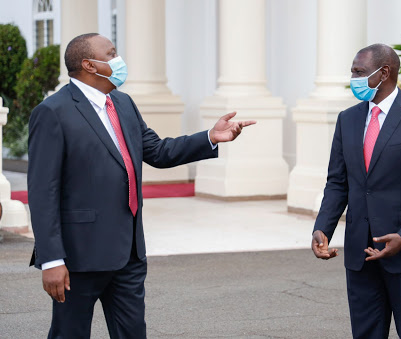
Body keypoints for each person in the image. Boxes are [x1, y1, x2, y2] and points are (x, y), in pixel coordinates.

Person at [28, 33, 255, 339]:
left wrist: (210, 138)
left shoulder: (122, 103)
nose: (119, 61)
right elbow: (43, 192)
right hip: (78, 257)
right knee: (70, 334)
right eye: (111, 54)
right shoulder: (53, 112)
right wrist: (51, 259)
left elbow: (158, 151)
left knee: (133, 333)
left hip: (129, 253)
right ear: (89, 65)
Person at [311, 44, 401, 338]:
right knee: (365, 333)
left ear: (384, 72)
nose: (353, 78)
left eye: (359, 72)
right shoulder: (347, 119)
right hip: (360, 252)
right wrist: (322, 228)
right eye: (352, 72)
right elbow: (337, 182)